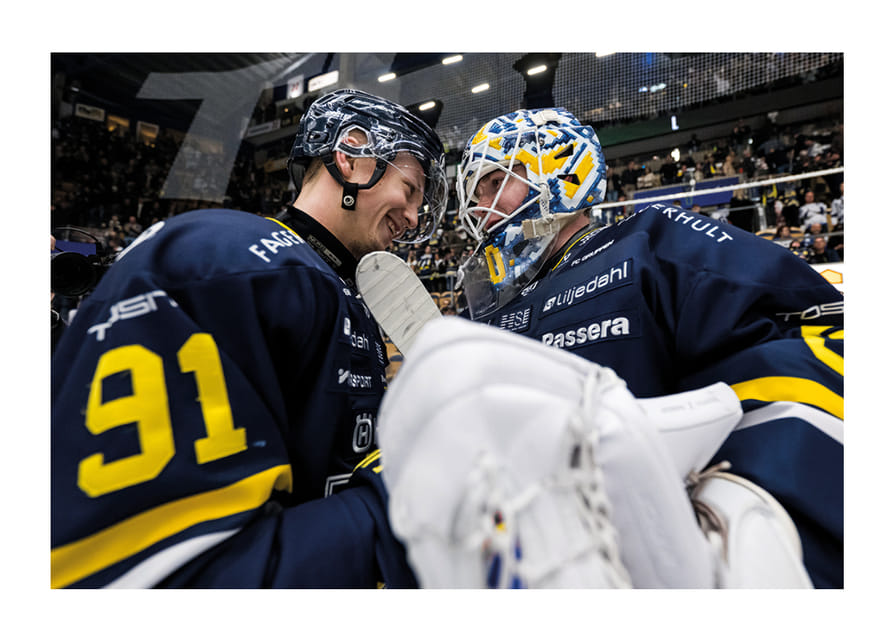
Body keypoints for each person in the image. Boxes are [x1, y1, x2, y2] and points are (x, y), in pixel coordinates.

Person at [51, 89, 448, 588]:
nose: (413, 217)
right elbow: (162, 576)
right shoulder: (234, 260)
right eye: (410, 190)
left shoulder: (331, 286)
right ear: (350, 158)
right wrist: (407, 490)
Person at [446, 107, 842, 588]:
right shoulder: (488, 310)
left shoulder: (650, 241)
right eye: (475, 194)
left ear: (560, 170)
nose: (480, 208)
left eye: (493, 183)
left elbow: (803, 337)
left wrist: (750, 494)